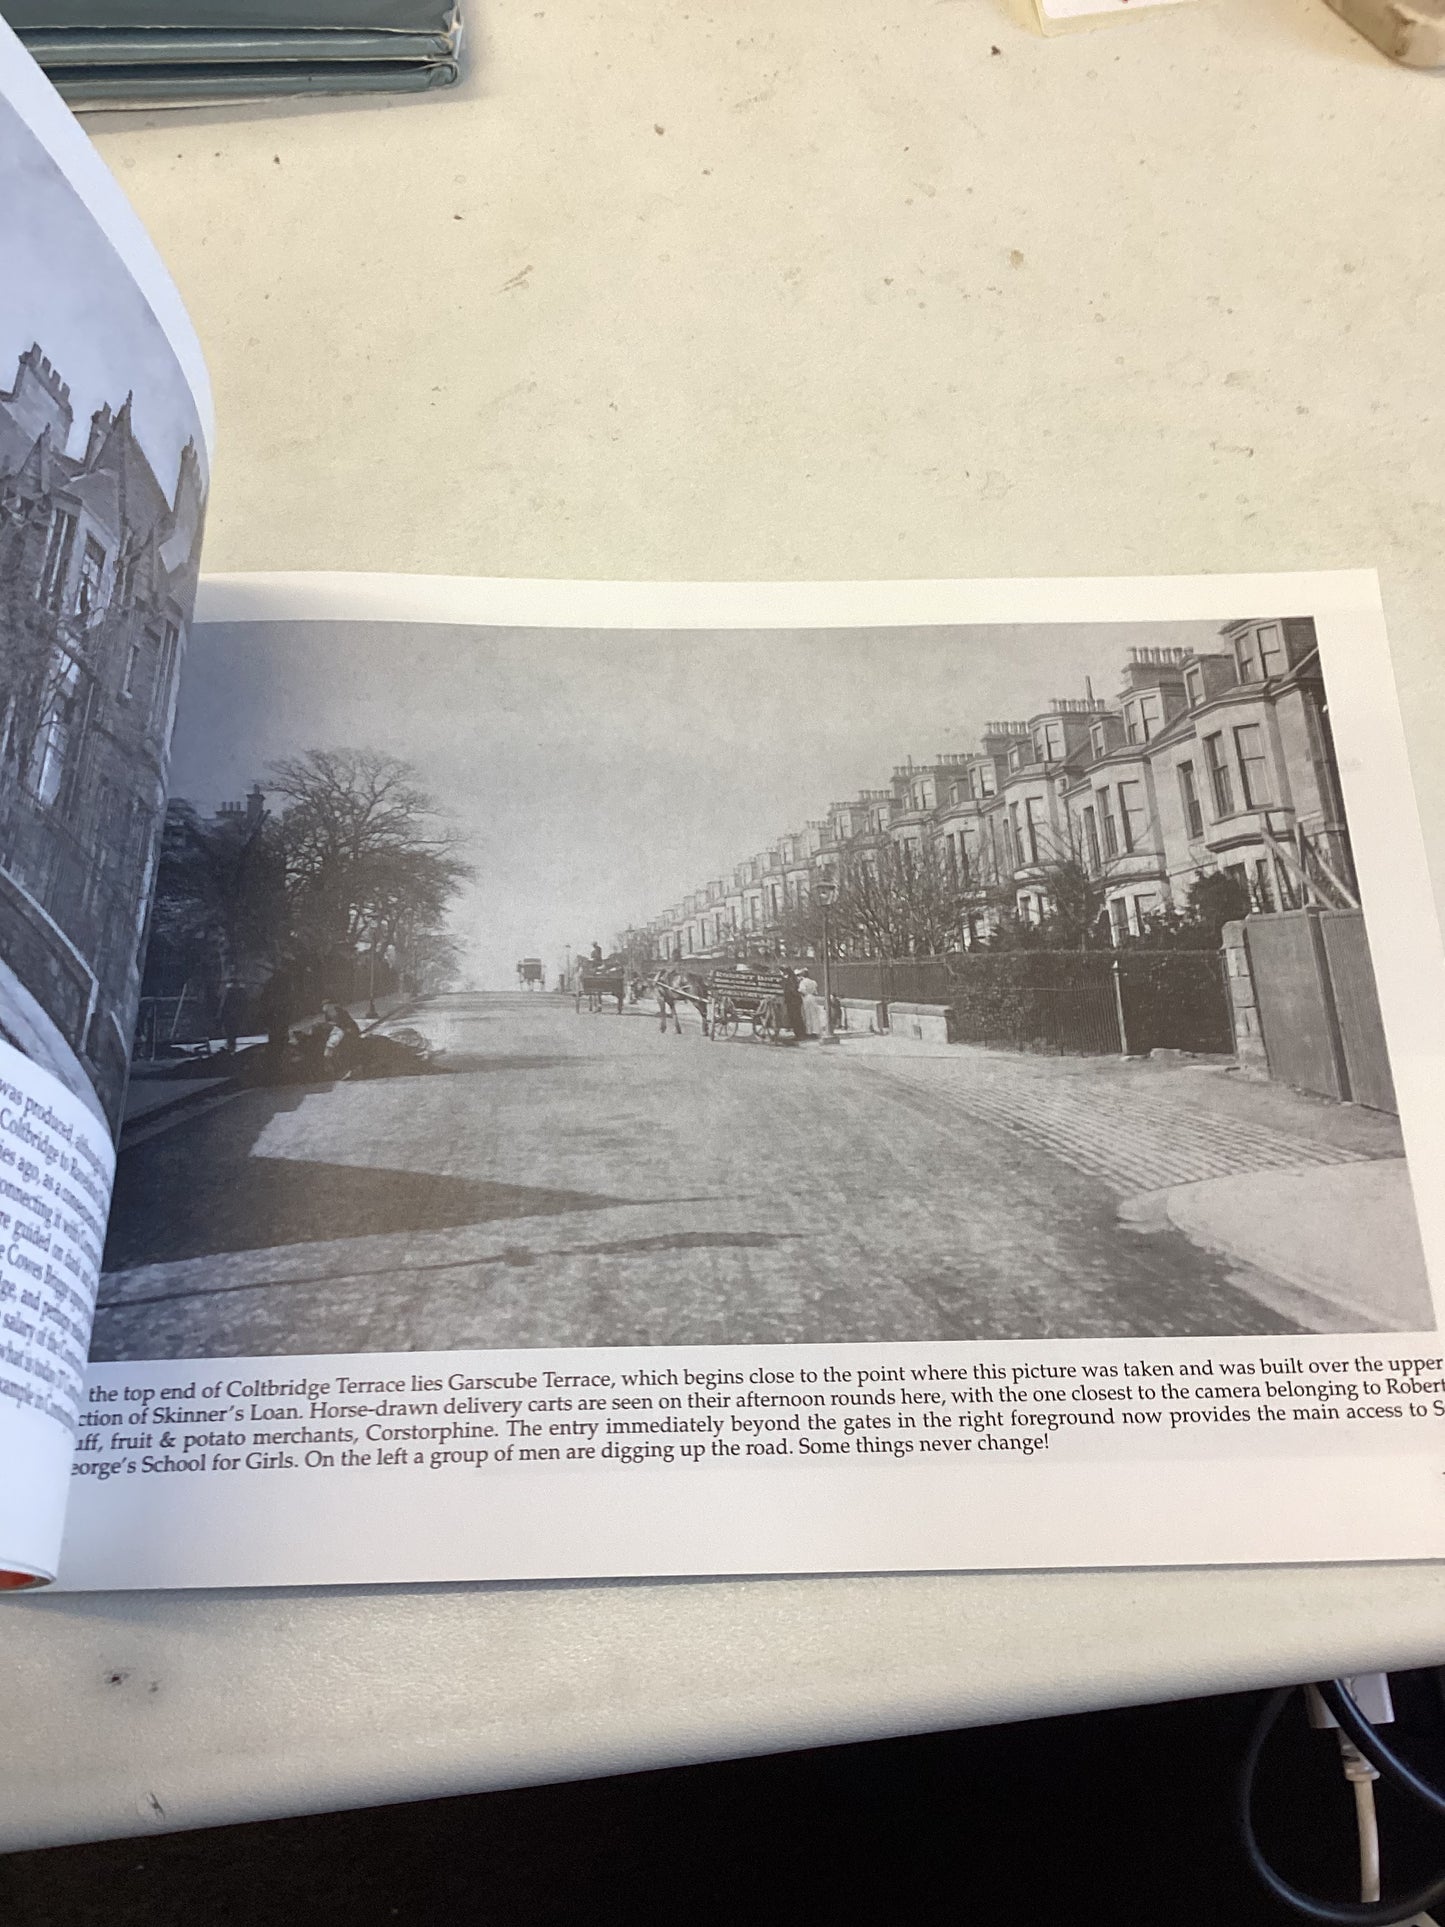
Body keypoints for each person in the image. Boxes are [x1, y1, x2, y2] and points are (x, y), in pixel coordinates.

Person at [319, 999, 363, 1077]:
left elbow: (348, 1024)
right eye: (324, 1006)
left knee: (341, 1042)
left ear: (331, 1006)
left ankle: (349, 1067)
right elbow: (330, 1024)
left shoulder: (341, 1012)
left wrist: (342, 1028)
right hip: (338, 1032)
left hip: (348, 1031)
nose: (325, 1008)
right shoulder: (327, 1014)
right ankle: (330, 1062)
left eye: (327, 1006)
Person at [780, 966, 805, 1044]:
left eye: (783, 971)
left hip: (793, 1001)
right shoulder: (791, 978)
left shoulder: (791, 979)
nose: (783, 972)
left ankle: (799, 1035)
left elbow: (792, 990)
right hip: (793, 1001)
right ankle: (799, 1034)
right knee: (796, 1018)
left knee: (796, 1018)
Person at [798, 968, 826, 1038]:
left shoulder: (803, 982)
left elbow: (802, 991)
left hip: (806, 998)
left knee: (807, 1015)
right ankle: (815, 1031)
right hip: (813, 998)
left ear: (802, 975)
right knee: (814, 1015)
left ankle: (809, 1032)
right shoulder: (813, 982)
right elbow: (815, 992)